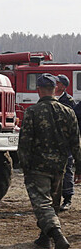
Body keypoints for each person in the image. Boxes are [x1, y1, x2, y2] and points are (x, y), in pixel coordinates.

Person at [18, 73, 81, 249]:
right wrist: (79, 168)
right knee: (52, 203)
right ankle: (44, 238)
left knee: (42, 204)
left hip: (38, 166)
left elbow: (24, 143)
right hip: (59, 167)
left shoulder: (32, 112)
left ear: (38, 90)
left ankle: (58, 237)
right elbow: (76, 143)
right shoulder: (68, 111)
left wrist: (24, 166)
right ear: (55, 89)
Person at [55, 74, 76, 211]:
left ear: (62, 86)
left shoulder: (68, 101)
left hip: (65, 141)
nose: (55, 85)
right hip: (52, 140)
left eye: (57, 83)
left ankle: (67, 198)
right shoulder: (49, 98)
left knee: (67, 169)